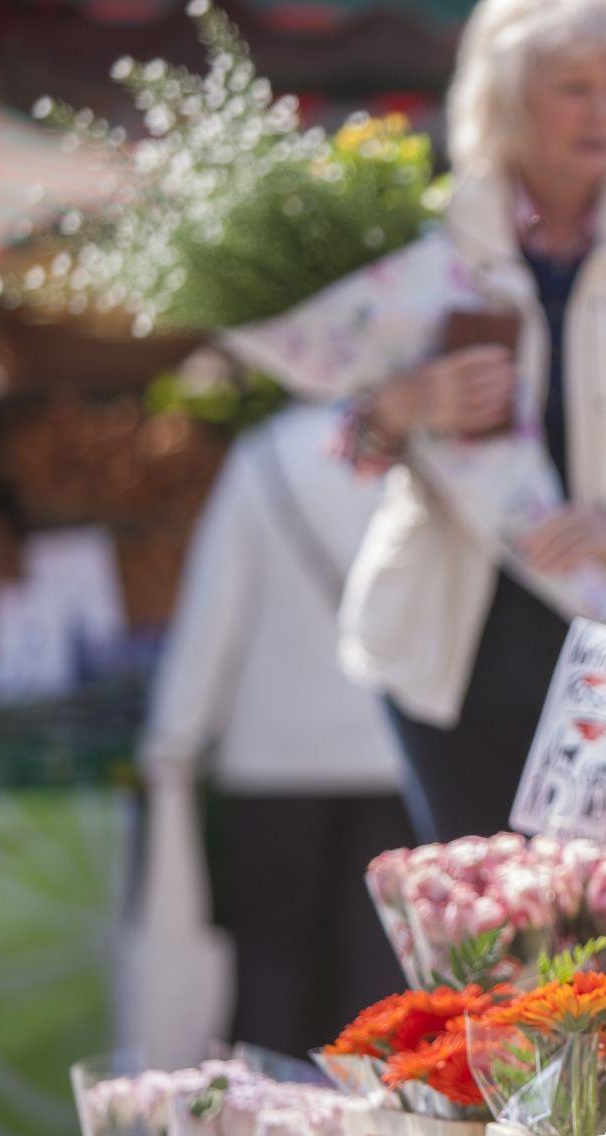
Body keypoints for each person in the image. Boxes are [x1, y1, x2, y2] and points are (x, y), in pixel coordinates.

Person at [333, 0, 606, 843]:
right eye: (573, 88)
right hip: (452, 644)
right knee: (471, 920)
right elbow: (354, 445)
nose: (602, 113)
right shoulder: (428, 233)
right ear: (509, 99)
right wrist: (405, 405)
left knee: (584, 917)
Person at [143, 402, 412, 1056]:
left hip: (272, 762)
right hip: (397, 760)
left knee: (270, 977)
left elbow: (215, 611)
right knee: (377, 990)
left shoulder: (266, 454)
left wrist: (174, 737)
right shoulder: (423, 448)